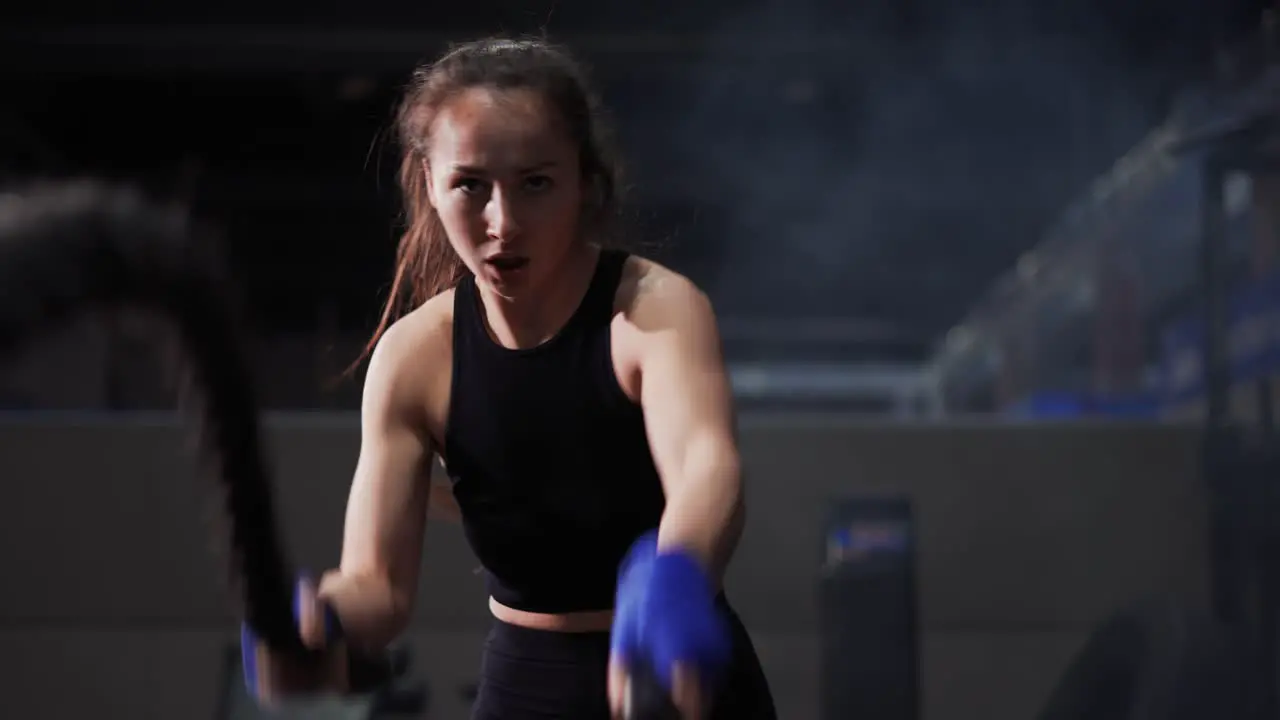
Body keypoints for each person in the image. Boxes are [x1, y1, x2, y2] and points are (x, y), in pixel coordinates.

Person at [242, 37, 776, 720]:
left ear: (585, 180)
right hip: (525, 688)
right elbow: (378, 585)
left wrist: (674, 575)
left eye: (536, 183)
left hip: (674, 676)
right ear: (428, 185)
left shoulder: (654, 310)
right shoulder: (416, 358)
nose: (503, 223)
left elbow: (706, 466)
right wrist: (320, 620)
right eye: (470, 185)